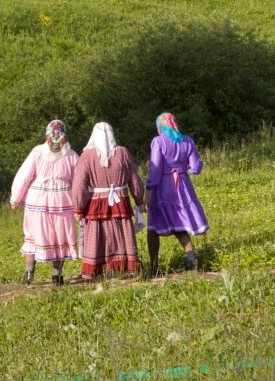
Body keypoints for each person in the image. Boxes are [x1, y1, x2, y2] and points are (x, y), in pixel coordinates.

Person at [71, 122, 144, 280]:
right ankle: (127, 267)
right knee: (121, 231)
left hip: (97, 202)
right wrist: (139, 199)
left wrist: (77, 207)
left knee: (96, 233)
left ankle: (93, 271)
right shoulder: (123, 153)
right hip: (120, 200)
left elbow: (79, 183)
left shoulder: (87, 156)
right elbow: (135, 179)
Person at [11, 120, 79, 286]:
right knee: (59, 237)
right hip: (61, 201)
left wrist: (15, 198)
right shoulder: (71, 155)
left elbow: (24, 175)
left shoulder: (38, 152)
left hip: (38, 200)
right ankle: (56, 276)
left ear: (46, 134)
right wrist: (80, 203)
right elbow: (79, 181)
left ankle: (29, 273)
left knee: (33, 236)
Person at [145, 112, 208, 275]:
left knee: (153, 226)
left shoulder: (158, 142)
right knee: (179, 223)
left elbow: (155, 169)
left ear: (160, 127)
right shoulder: (187, 141)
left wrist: (148, 191)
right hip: (183, 187)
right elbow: (196, 168)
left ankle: (153, 266)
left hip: (162, 188)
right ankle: (191, 258)